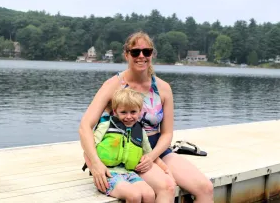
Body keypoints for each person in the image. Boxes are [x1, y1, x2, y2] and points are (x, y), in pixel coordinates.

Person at [79, 31, 214, 203]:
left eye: (146, 52)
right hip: (126, 150)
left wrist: (151, 157)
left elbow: (166, 134)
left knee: (206, 188)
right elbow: (85, 126)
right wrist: (96, 163)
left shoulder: (163, 88)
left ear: (152, 54)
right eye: (135, 52)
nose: (141, 56)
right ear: (126, 54)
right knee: (167, 187)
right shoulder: (113, 85)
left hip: (156, 150)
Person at [83, 88, 173, 202]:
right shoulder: (106, 125)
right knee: (134, 195)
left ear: (140, 111)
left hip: (130, 173)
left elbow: (150, 155)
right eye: (123, 112)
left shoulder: (140, 131)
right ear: (115, 111)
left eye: (133, 112)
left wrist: (165, 169)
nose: (129, 116)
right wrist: (96, 172)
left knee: (149, 194)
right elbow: (87, 152)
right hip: (109, 174)